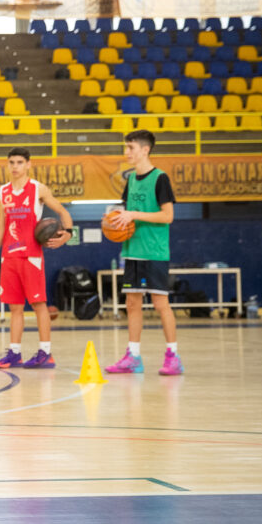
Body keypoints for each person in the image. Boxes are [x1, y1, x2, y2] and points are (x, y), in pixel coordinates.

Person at [105, 129, 183, 376]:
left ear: (145, 149)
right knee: (132, 303)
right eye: (125, 147)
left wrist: (134, 215)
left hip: (154, 251)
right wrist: (113, 221)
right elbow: (125, 213)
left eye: (130, 148)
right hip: (132, 250)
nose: (126, 152)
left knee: (161, 303)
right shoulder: (131, 180)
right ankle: (133, 356)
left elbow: (167, 216)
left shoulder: (160, 178)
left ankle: (173, 356)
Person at [0, 147, 73, 369]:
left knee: (38, 304)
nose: (15, 167)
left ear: (28, 165)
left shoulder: (38, 189)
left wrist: (68, 235)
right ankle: (14, 353)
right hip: (8, 257)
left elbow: (63, 213)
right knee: (14, 307)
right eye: (11, 162)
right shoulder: (2, 192)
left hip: (31, 256)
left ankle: (46, 353)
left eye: (19, 162)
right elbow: (0, 227)